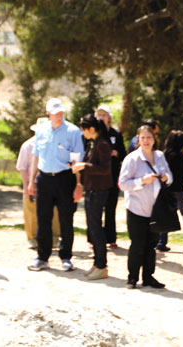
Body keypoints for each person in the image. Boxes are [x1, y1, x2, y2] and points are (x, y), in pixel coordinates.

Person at [27, 98, 84, 272]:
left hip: (65, 179)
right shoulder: (41, 131)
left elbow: (77, 160)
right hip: (44, 179)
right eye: (56, 113)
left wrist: (78, 184)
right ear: (48, 114)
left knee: (66, 219)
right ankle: (42, 257)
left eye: (61, 112)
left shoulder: (73, 131)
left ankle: (66, 256)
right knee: (43, 218)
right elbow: (36, 156)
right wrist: (31, 181)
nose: (59, 116)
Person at [117, 124, 172, 289]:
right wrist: (142, 181)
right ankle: (132, 278)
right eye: (143, 138)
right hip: (136, 208)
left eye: (149, 137)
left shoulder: (160, 156)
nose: (146, 141)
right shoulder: (132, 159)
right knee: (137, 244)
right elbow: (122, 184)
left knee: (151, 245)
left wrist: (164, 177)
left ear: (154, 140)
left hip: (156, 209)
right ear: (138, 140)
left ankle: (148, 277)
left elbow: (171, 177)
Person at [70, 114, 113, 280]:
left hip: (99, 190)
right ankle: (97, 263)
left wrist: (83, 166)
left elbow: (104, 169)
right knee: (93, 228)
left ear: (92, 129)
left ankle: (102, 265)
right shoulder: (94, 143)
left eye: (84, 129)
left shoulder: (102, 144)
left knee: (96, 229)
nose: (82, 132)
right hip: (92, 189)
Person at [15, 121, 60, 249]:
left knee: (54, 210)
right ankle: (32, 238)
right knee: (31, 211)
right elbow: (22, 168)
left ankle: (55, 238)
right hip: (33, 182)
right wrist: (26, 186)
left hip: (50, 181)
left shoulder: (52, 144)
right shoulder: (27, 146)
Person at [95, 105, 126, 249]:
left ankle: (111, 238)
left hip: (112, 175)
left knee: (111, 207)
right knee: (95, 208)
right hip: (97, 176)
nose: (101, 117)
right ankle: (94, 238)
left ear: (109, 117)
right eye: (99, 115)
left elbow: (123, 154)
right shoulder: (94, 134)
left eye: (104, 115)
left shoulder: (116, 134)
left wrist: (115, 153)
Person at [156, 130, 183, 254]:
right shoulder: (180, 157)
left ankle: (161, 242)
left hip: (167, 189)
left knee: (165, 215)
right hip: (181, 190)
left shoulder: (164, 155)